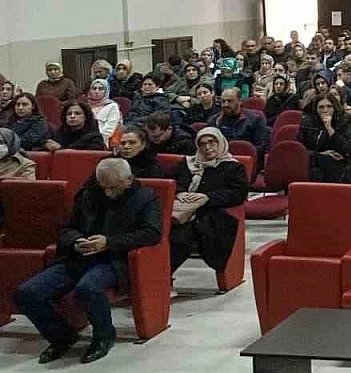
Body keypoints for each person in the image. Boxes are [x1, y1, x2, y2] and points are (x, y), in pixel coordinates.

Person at [15, 158, 161, 364]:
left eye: (114, 187)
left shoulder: (146, 197)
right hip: (78, 257)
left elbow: (151, 233)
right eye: (104, 187)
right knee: (27, 293)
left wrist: (108, 242)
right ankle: (62, 337)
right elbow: (66, 229)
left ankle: (103, 336)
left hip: (114, 259)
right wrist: (75, 241)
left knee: (88, 288)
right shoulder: (88, 195)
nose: (108, 193)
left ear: (129, 180)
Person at [168, 129, 249, 274]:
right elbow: (169, 181)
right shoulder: (187, 163)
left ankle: (163, 276)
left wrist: (207, 197)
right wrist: (179, 192)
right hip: (179, 210)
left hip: (209, 214)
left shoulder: (233, 167)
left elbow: (238, 194)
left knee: (180, 238)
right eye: (202, 144)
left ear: (221, 143)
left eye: (212, 143)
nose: (207, 147)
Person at [297, 93, 351, 182]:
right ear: (316, 109)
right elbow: (299, 150)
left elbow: (348, 150)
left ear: (334, 107)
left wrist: (329, 128)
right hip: (314, 163)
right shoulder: (307, 121)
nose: (325, 110)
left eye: (329, 106)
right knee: (316, 172)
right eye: (321, 107)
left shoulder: (344, 119)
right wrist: (320, 154)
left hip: (337, 165)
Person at [210, 88, 270, 157]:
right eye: (223, 101)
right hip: (220, 158)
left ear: (240, 101)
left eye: (230, 101)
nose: (225, 104)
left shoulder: (256, 119)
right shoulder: (214, 120)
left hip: (245, 157)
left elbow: (260, 146)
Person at [84, 79, 121, 146]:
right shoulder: (85, 106)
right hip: (83, 139)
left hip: (102, 141)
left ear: (106, 91)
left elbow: (109, 128)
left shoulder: (112, 106)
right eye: (94, 88)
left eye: (101, 89)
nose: (96, 91)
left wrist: (95, 139)